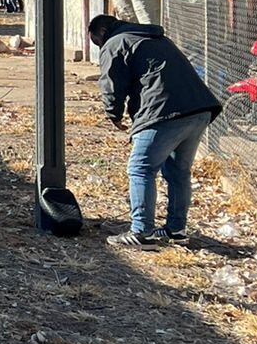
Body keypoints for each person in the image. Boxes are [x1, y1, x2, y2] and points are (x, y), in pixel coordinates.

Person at [91, 15, 222, 247]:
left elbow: (112, 82)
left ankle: (141, 232)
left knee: (140, 168)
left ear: (102, 32)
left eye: (97, 42)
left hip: (163, 112)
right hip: (199, 109)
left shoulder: (115, 43)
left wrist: (113, 114)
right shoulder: (156, 38)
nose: (100, 47)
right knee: (178, 171)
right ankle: (176, 230)